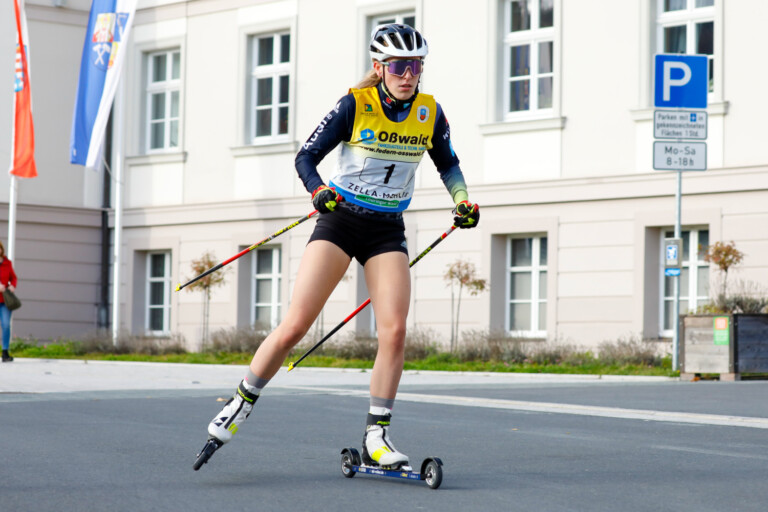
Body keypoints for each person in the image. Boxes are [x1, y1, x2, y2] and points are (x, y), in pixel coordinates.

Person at [205, 23, 479, 469]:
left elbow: (449, 165)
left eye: (416, 66)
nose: (408, 75)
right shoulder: (354, 105)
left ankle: (377, 436)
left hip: (386, 229)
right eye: (399, 66)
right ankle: (240, 402)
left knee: (394, 330)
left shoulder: (430, 112)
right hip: (340, 220)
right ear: (380, 67)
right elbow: (305, 157)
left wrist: (463, 200)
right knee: (295, 326)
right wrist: (317, 191)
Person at [0, 241, 18, 362]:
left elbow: (13, 278)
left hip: (5, 301)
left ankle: (5, 352)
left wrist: (12, 286)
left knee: (6, 325)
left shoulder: (7, 263)